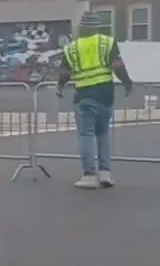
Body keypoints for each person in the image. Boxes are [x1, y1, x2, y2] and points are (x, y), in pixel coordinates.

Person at [57, 14, 134, 189]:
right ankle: (105, 173)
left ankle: (89, 175)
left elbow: (64, 73)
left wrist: (60, 88)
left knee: (86, 135)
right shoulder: (106, 42)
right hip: (106, 95)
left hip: (84, 95)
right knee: (103, 133)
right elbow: (117, 66)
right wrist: (127, 83)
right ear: (96, 27)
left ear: (81, 28)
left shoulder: (72, 48)